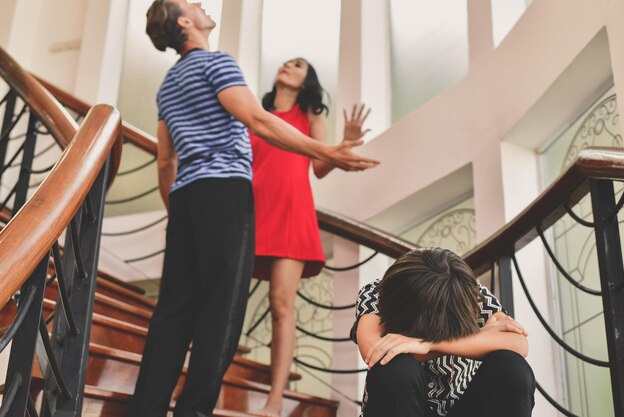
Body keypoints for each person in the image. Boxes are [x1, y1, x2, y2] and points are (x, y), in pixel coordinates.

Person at [127, 2, 379, 417]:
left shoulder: (167, 85)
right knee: (221, 310)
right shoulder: (217, 64)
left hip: (186, 197)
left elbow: (165, 161)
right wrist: (327, 149)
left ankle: (146, 410)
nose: (201, 4)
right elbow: (257, 121)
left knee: (173, 309)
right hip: (224, 194)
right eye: (190, 3)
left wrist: (178, 209)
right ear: (185, 23)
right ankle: (192, 411)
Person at [249, 57, 372, 417]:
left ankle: (274, 402)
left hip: (290, 214)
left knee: (281, 306)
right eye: (286, 62)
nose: (287, 66)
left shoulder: (311, 116)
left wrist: (344, 144)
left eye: (298, 65)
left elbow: (319, 167)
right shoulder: (256, 113)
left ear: (307, 81)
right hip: (251, 213)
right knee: (224, 297)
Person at [351, 248, 536, 417]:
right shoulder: (378, 293)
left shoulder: (471, 296)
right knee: (395, 366)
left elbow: (519, 344)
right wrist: (478, 338)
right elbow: (374, 353)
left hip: (462, 408)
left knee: (512, 368)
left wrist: (429, 344)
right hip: (401, 408)